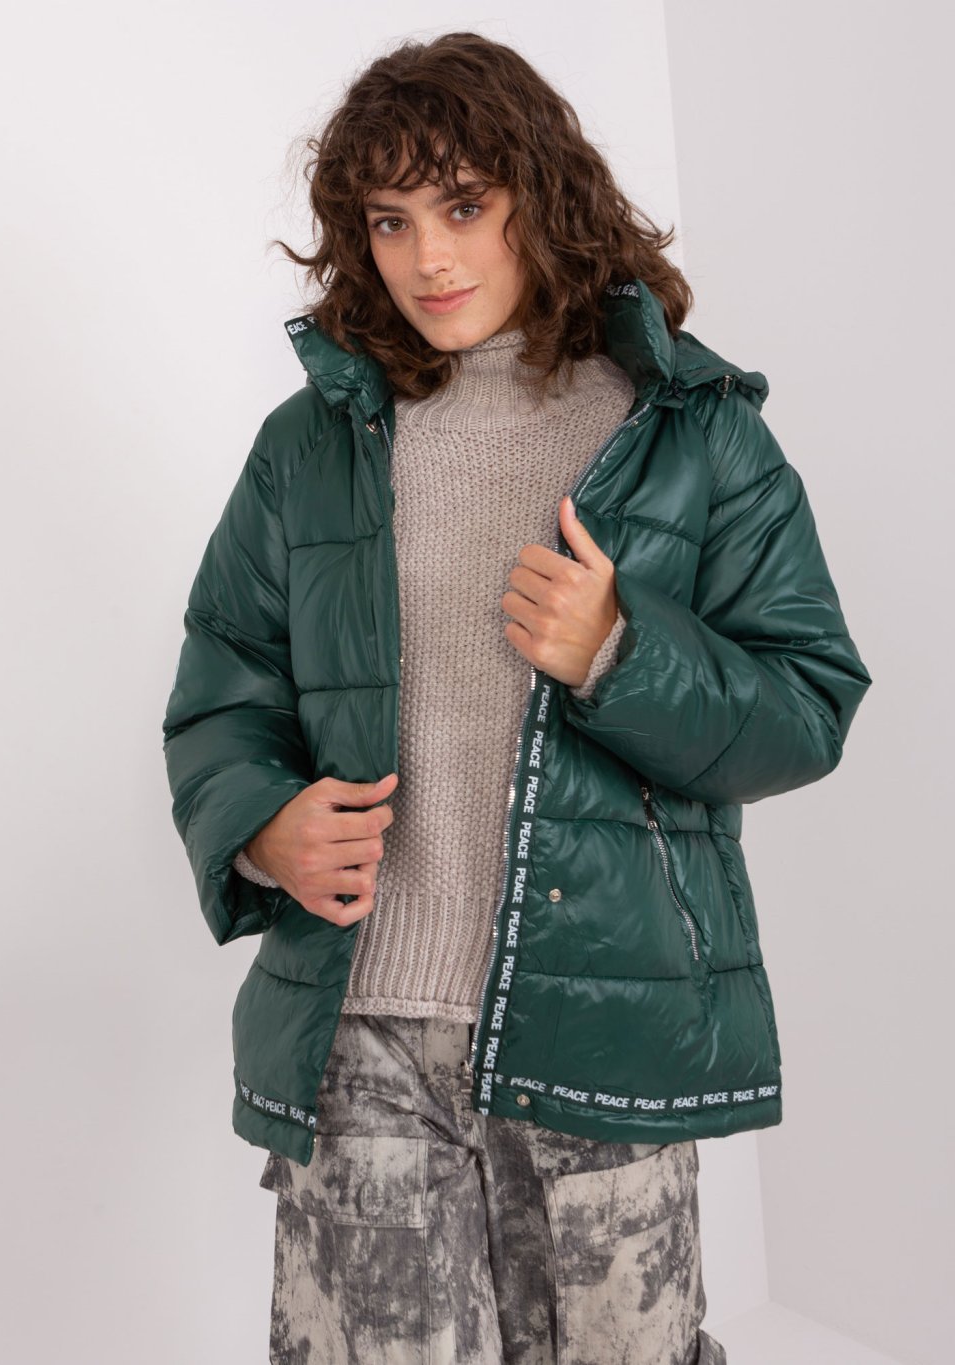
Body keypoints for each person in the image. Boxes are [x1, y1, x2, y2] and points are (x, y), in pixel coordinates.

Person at [162, 30, 872, 1365]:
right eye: (391, 220)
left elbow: (807, 702)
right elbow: (222, 690)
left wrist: (622, 652)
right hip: (359, 1029)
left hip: (603, 1021)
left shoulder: (691, 429)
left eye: (464, 205)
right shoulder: (309, 448)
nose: (428, 256)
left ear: (542, 194)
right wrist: (260, 828)